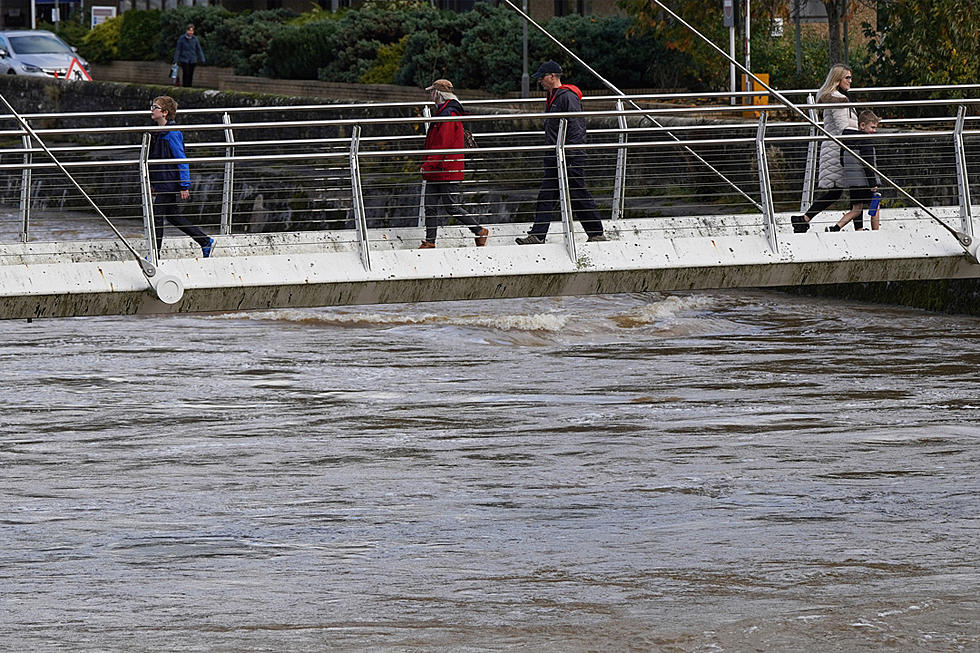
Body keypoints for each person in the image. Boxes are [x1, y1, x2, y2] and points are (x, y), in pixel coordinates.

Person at [516, 61, 606, 245]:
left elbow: (576, 126)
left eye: (542, 77)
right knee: (548, 193)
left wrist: (569, 153)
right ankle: (538, 234)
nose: (540, 81)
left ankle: (596, 232)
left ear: (552, 76)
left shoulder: (566, 97)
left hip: (567, 154)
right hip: (556, 153)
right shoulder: (554, 96)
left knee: (576, 192)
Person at [419, 79, 489, 249]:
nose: (430, 96)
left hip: (445, 168)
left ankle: (480, 231)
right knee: (430, 205)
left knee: (450, 206)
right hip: (441, 168)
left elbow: (443, 145)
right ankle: (430, 241)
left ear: (438, 94)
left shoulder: (447, 115)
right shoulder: (448, 112)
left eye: (432, 92)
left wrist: (427, 165)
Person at [791, 64, 858, 233]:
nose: (851, 81)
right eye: (847, 78)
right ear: (838, 80)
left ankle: (805, 219)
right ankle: (858, 230)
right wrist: (859, 136)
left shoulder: (838, 97)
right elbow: (843, 127)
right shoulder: (838, 99)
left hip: (837, 148)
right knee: (852, 190)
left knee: (849, 191)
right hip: (839, 150)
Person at [149, 96, 215, 259]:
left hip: (169, 182)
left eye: (155, 107)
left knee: (157, 214)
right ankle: (205, 241)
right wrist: (153, 183)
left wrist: (184, 185)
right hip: (163, 182)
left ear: (164, 112)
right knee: (172, 216)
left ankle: (155, 255)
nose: (152, 109)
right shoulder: (159, 133)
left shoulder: (172, 133)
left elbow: (181, 159)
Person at [827, 110, 882, 232]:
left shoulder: (848, 139)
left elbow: (842, 159)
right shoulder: (866, 142)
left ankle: (836, 227)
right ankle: (876, 232)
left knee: (856, 208)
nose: (874, 130)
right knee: (876, 205)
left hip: (852, 181)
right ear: (862, 125)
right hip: (864, 181)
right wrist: (873, 184)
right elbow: (868, 164)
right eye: (872, 127)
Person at [174, 24, 205, 88]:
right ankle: (185, 86)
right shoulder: (182, 38)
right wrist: (176, 60)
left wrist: (202, 58)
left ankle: (189, 87)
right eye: (189, 30)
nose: (190, 32)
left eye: (192, 31)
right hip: (184, 59)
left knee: (191, 74)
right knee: (186, 73)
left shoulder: (195, 39)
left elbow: (199, 49)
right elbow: (178, 50)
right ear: (186, 31)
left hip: (192, 59)